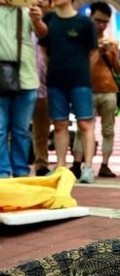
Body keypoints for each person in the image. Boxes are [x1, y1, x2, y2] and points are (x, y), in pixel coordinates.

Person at [39, 0, 98, 183]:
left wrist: (83, 72)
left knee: (85, 124)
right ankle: (60, 167)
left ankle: (87, 168)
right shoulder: (48, 19)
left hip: (80, 80)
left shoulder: (85, 23)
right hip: (55, 80)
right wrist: (51, 69)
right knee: (59, 125)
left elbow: (93, 52)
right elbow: (44, 49)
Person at [71, 1, 120, 179]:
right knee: (82, 128)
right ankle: (77, 164)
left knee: (108, 130)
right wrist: (94, 52)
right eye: (98, 20)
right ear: (90, 18)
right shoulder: (82, 41)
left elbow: (117, 69)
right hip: (86, 90)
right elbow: (78, 65)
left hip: (109, 91)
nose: (101, 25)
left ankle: (105, 165)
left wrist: (111, 53)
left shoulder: (112, 42)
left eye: (105, 22)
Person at [0, 0, 47, 178]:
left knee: (21, 129)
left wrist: (37, 19)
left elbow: (42, 33)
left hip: (26, 77)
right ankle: (2, 173)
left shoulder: (25, 8)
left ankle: (21, 171)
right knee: (0, 128)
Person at [31, 0, 51, 176]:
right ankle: (14, 164)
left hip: (44, 85)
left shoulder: (52, 23)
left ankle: (41, 164)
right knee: (14, 129)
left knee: (42, 130)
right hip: (19, 82)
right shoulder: (22, 19)